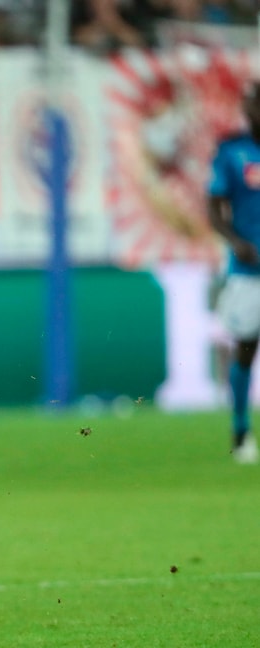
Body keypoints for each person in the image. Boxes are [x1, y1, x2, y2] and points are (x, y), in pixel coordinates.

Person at [209, 82, 260, 465]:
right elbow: (213, 207)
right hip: (248, 269)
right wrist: (236, 242)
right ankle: (241, 429)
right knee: (246, 346)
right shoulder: (231, 151)